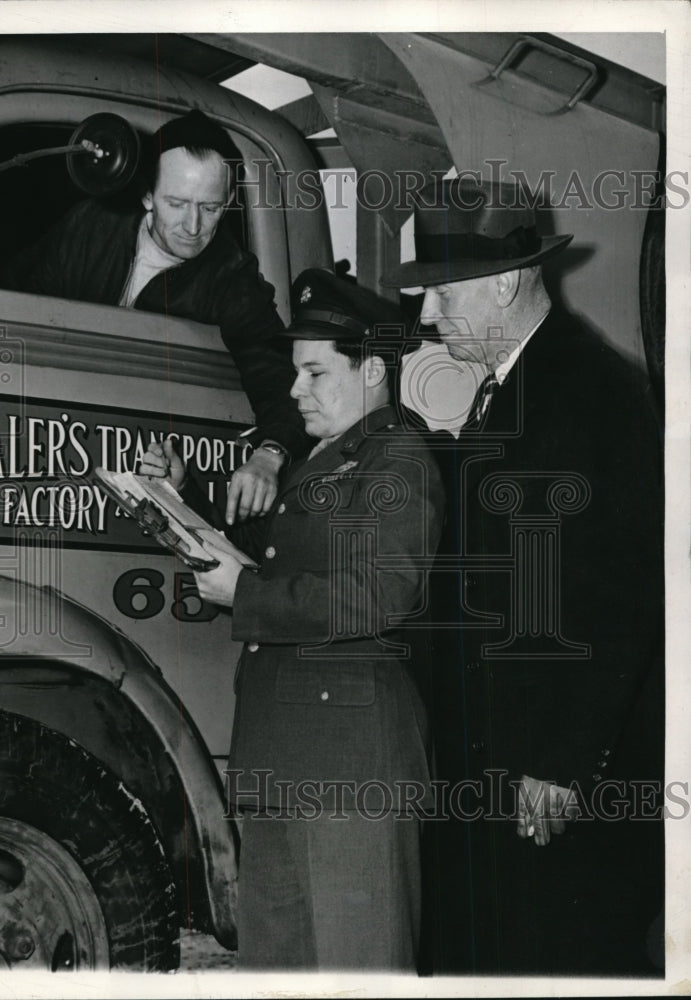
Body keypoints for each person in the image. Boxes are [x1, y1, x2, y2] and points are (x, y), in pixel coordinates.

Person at [382, 177, 664, 976]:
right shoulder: (518, 388)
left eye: (440, 293)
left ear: (504, 281)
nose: (428, 315)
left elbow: (623, 593)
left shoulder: (593, 395)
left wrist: (562, 763)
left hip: (549, 788)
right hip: (496, 771)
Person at [140, 269, 444, 971]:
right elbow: (279, 563)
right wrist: (179, 501)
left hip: (348, 765)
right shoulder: (328, 457)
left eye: (313, 373)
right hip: (287, 755)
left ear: (372, 370)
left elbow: (379, 595)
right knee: (280, 968)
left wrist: (243, 594)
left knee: (357, 968)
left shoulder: (396, 456)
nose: (294, 390)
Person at [0, 109, 310, 522]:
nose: (193, 226)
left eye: (210, 208)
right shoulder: (90, 225)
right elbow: (14, 300)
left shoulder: (232, 278)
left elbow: (278, 377)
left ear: (228, 202)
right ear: (147, 195)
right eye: (176, 203)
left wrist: (270, 455)